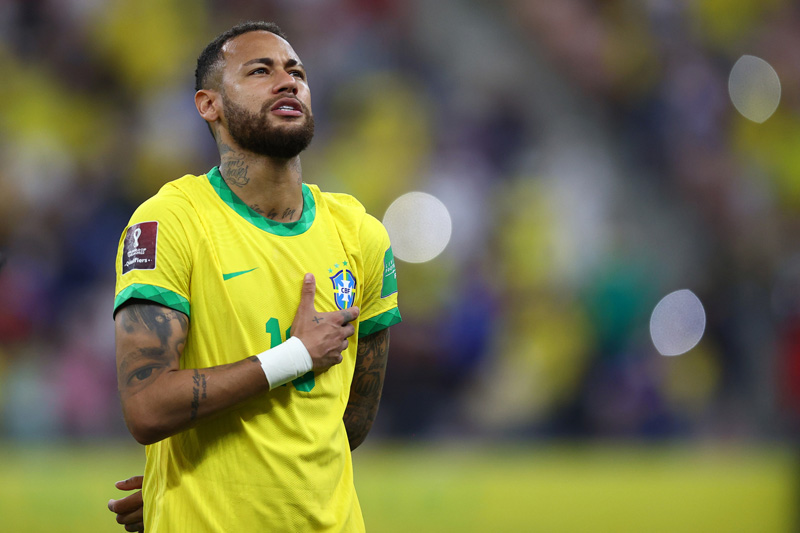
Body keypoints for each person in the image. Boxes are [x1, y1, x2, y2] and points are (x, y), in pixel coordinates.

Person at [109, 21, 400, 532]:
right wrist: (294, 357)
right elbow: (148, 409)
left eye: (297, 72)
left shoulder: (361, 236)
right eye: (260, 71)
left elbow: (347, 423)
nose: (288, 82)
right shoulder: (170, 222)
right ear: (209, 105)